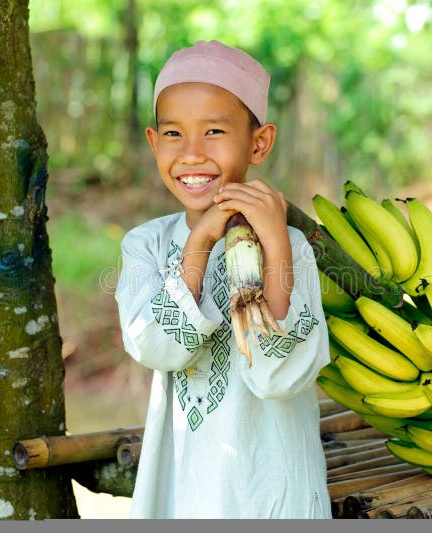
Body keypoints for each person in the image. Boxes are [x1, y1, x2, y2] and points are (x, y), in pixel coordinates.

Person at [115, 40, 331, 519]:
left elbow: (279, 377)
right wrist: (198, 245)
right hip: (182, 487)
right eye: (174, 134)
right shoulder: (144, 246)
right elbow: (155, 348)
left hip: (272, 489)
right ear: (153, 143)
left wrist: (274, 241)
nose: (191, 154)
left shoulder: (292, 247)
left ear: (259, 143)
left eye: (213, 130)